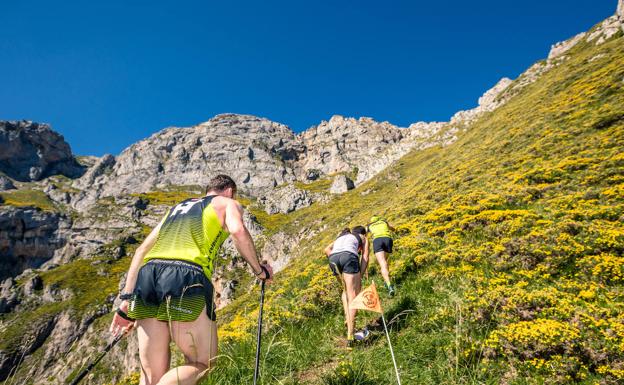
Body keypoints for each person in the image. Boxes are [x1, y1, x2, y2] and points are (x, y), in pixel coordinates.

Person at [109, 175, 273, 385]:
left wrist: (126, 302)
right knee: (203, 362)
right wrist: (259, 271)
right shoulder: (227, 203)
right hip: (187, 275)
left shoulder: (176, 209)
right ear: (230, 190)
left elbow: (141, 250)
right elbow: (238, 231)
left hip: (148, 276)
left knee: (150, 374)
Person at [324, 226, 369, 347]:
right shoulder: (363, 237)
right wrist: (360, 274)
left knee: (345, 292)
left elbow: (326, 249)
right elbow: (365, 257)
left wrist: (336, 258)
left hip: (333, 258)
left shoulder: (342, 236)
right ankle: (350, 335)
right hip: (349, 257)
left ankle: (348, 319)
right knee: (353, 294)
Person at [367, 215, 396, 296]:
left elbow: (364, 235)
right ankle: (387, 280)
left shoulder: (369, 225)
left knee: (382, 264)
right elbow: (393, 228)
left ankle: (389, 285)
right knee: (385, 261)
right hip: (387, 239)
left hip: (377, 240)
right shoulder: (384, 222)